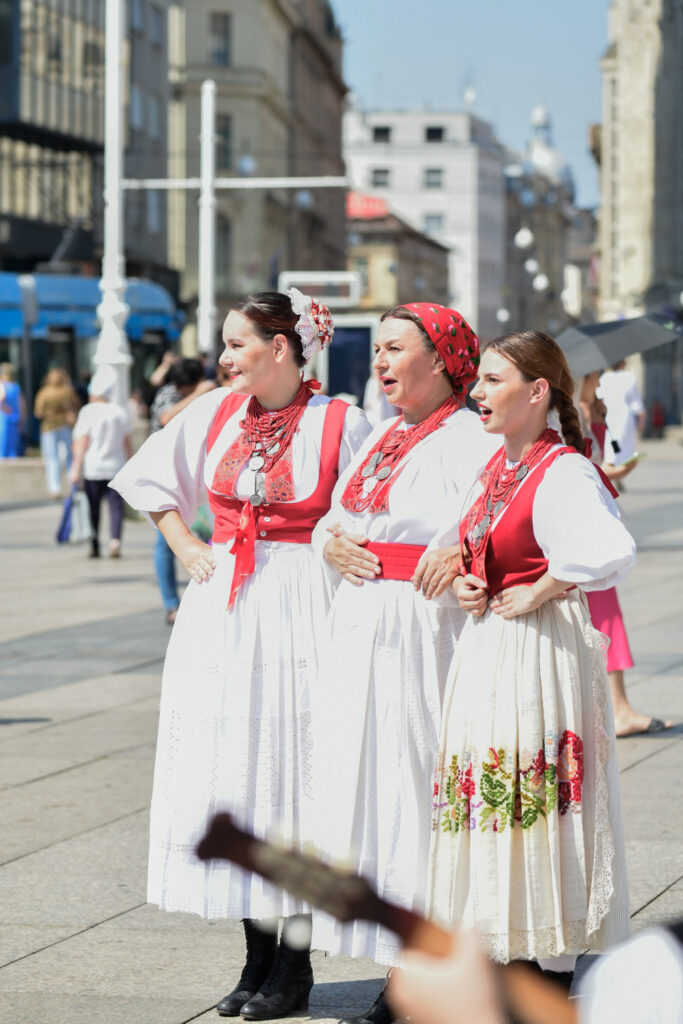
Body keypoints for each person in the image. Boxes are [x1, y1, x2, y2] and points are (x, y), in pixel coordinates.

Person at [110, 290, 371, 1021]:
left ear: (279, 347)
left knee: (296, 779)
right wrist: (187, 544)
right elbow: (151, 480)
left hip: (304, 604)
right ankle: (256, 957)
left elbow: (368, 513)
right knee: (236, 776)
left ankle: (294, 964)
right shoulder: (216, 412)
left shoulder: (340, 421)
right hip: (225, 605)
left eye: (236, 343)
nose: (224, 357)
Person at [309, 303, 499, 1023]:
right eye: (377, 349)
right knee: (376, 792)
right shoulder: (383, 434)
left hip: (425, 630)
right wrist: (330, 542)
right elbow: (334, 516)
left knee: (421, 789)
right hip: (361, 629)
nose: (379, 361)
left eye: (395, 348)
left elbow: (504, 516)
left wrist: (460, 547)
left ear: (442, 358)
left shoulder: (471, 436)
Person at [428, 331, 636, 985]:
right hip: (489, 645)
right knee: (499, 798)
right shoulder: (495, 467)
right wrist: (467, 581)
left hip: (539, 649)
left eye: (493, 380)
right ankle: (510, 952)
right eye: (479, 380)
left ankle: (547, 967)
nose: (477, 393)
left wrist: (544, 586)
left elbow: (610, 548)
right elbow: (466, 546)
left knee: (535, 797)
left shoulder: (562, 468)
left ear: (537, 391)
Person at [578, 373, 671, 737]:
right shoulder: (568, 411)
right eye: (594, 376)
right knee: (604, 614)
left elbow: (603, 455)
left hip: (595, 524)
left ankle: (615, 707)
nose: (599, 381)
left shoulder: (588, 410)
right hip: (585, 529)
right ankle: (617, 709)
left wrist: (600, 423)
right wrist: (612, 470)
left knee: (603, 613)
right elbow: (582, 469)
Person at [148, 358, 216, 624]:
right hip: (168, 479)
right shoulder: (169, 394)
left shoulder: (198, 392)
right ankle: (171, 604)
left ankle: (206, 597)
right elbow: (165, 417)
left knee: (211, 538)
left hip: (197, 477)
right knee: (167, 542)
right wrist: (199, 394)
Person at [69, 366, 132, 558]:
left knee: (93, 507)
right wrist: (132, 466)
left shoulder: (88, 412)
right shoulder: (119, 411)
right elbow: (127, 443)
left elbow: (81, 443)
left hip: (93, 468)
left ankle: (95, 542)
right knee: (116, 507)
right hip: (116, 467)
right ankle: (115, 540)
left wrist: (75, 469)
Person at [33, 367, 80, 497]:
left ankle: (55, 488)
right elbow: (77, 404)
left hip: (49, 427)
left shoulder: (44, 392)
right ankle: (72, 484)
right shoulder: (67, 391)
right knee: (70, 456)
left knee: (52, 458)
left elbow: (38, 412)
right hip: (65, 426)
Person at [598, 359, 645, 466]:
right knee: (625, 449)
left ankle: (611, 468)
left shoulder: (605, 378)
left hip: (609, 415)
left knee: (611, 446)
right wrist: (641, 420)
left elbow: (599, 397)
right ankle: (620, 469)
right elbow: (637, 403)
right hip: (625, 417)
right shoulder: (629, 377)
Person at [0, 362, 26, 457]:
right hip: (15, 418)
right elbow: (22, 406)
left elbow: (1, 398)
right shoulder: (16, 387)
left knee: (2, 447)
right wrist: (22, 420)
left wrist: (3, 408)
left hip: (3, 419)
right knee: (12, 448)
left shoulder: (1, 385)